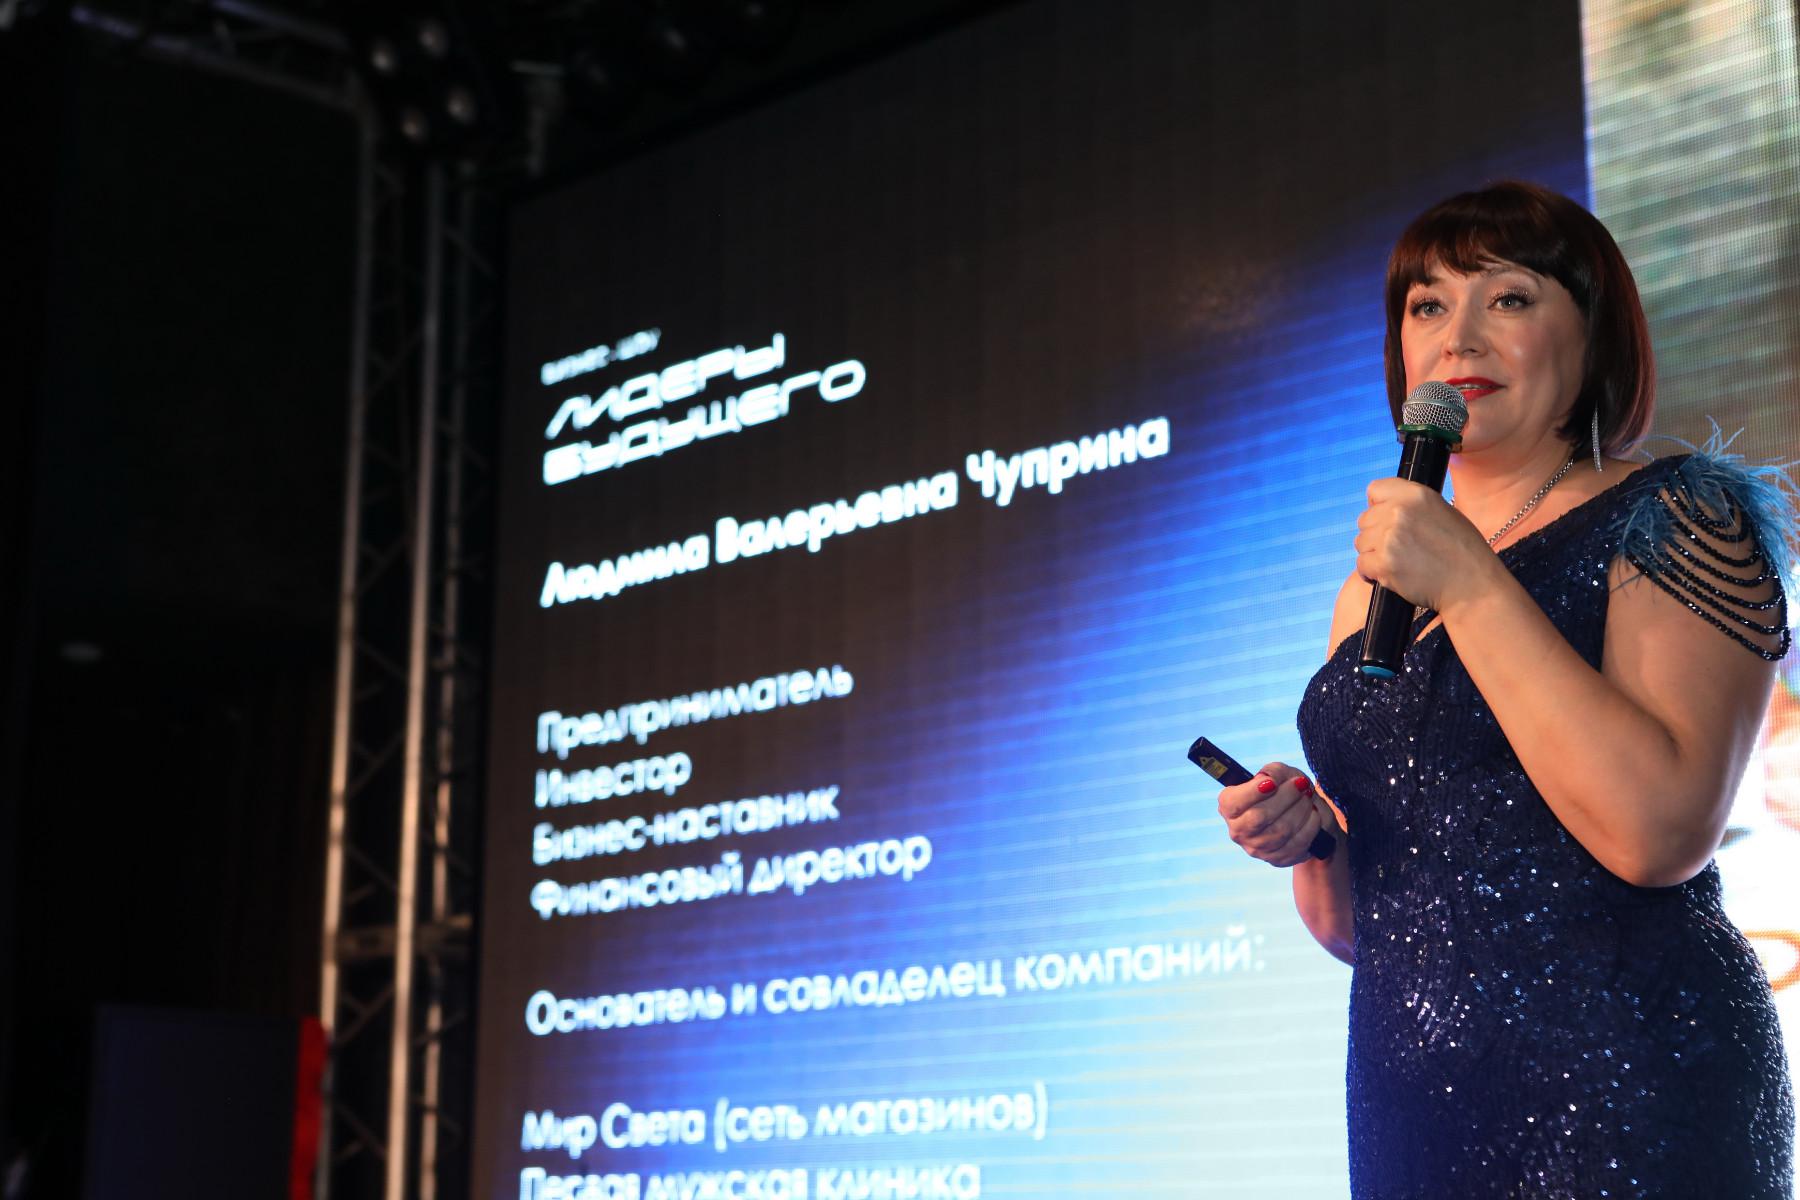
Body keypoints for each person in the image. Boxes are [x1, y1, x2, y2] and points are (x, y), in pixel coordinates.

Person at [1218, 181, 1796, 1197]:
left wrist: (1471, 580)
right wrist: (1312, 844)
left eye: (1511, 298)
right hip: (1411, 1111)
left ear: (1593, 333)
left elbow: (1658, 831)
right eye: (1428, 306)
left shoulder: (1677, 515)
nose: (1460, 338)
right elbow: (1373, 926)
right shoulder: (1370, 587)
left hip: (1630, 1092)